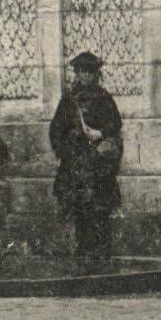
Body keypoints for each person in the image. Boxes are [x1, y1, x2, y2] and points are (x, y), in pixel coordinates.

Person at [49, 51, 123, 269]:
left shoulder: (103, 98)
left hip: (97, 165)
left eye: (88, 72)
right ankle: (83, 253)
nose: (83, 76)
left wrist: (100, 134)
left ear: (95, 74)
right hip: (75, 165)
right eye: (80, 72)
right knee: (79, 208)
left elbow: (115, 124)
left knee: (99, 209)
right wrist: (64, 152)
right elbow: (55, 130)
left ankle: (101, 255)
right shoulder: (69, 101)